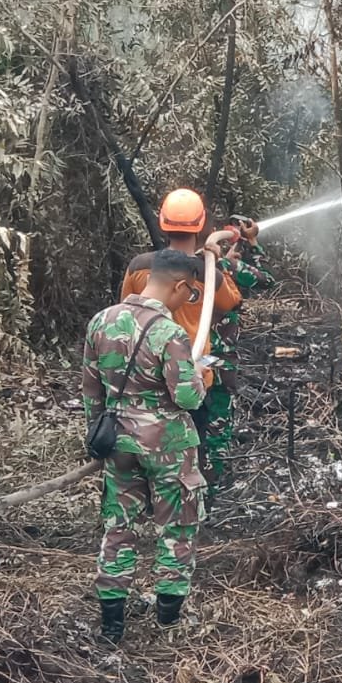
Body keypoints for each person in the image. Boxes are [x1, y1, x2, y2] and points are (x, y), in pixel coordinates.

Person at [82, 248, 209, 643]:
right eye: (190, 294)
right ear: (180, 284)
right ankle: (168, 621)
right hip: (168, 447)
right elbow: (187, 398)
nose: (188, 301)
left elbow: (91, 393)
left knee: (118, 529)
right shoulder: (169, 333)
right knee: (176, 529)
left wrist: (101, 434)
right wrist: (200, 374)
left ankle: (112, 625)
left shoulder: (101, 321)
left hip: (117, 442)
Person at [122, 188, 242, 484]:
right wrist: (218, 261)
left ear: (163, 223)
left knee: (146, 447)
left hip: (147, 376)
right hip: (193, 375)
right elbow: (231, 302)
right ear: (201, 226)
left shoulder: (139, 267)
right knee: (192, 449)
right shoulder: (207, 272)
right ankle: (189, 506)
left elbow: (126, 309)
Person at [207, 216, 275, 488]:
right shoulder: (227, 267)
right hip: (218, 361)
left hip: (188, 359)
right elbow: (266, 280)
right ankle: (212, 485)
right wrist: (254, 243)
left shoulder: (179, 267)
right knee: (217, 424)